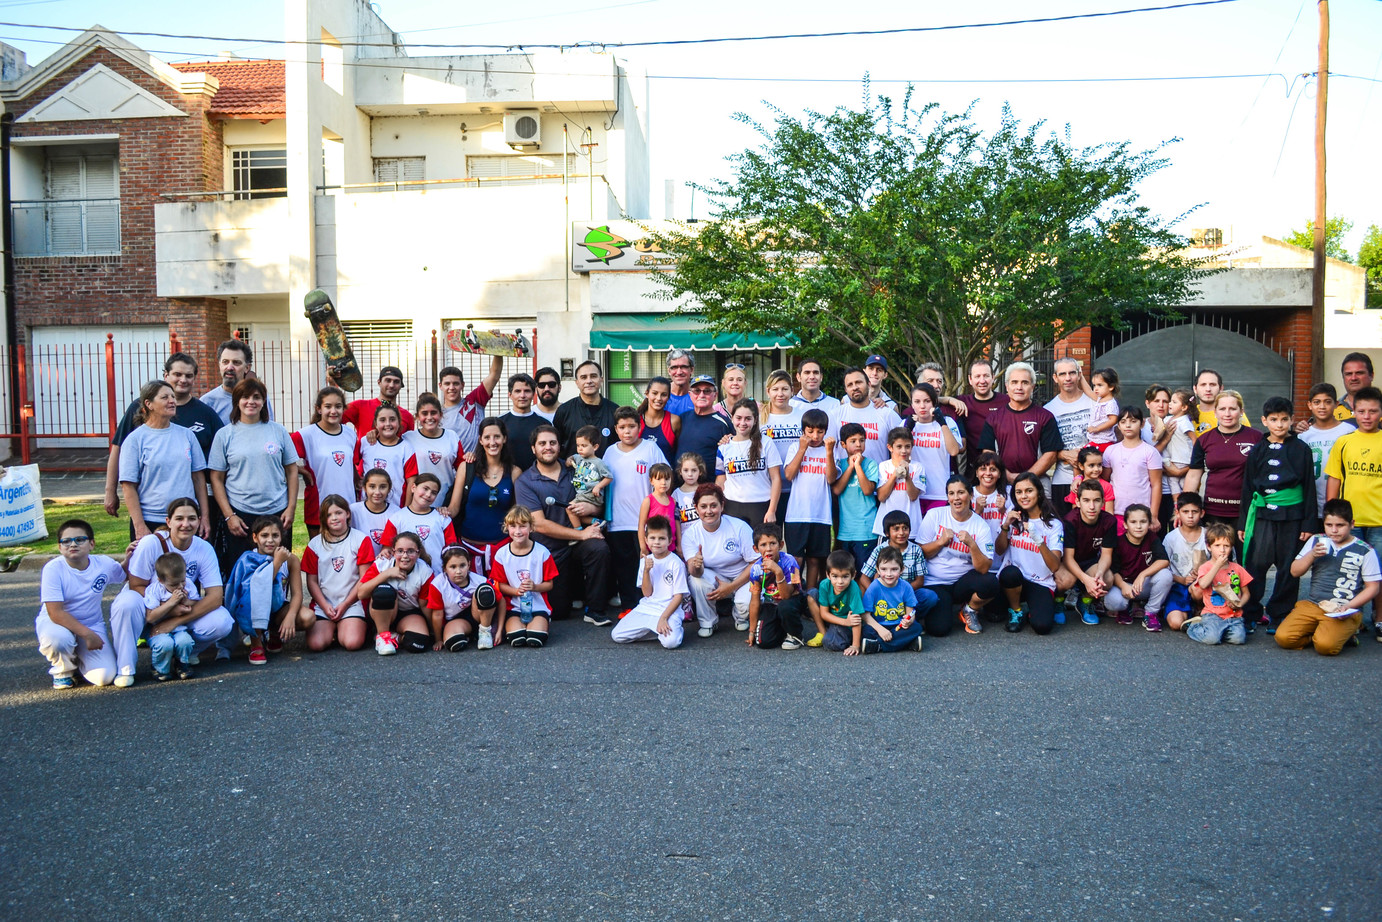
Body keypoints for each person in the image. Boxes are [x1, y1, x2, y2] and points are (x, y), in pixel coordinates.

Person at [107, 498, 234, 674]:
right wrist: (167, 609)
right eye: (179, 518)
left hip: (179, 608)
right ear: (168, 522)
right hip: (148, 608)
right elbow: (136, 585)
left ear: (199, 521)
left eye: (191, 518)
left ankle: (184, 653)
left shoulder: (204, 548)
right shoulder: (151, 543)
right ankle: (125, 667)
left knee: (223, 620)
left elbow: (215, 597)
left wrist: (175, 620)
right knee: (126, 603)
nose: (186, 524)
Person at [516, 425, 612, 627]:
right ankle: (573, 593)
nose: (548, 447)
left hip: (578, 542)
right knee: (559, 612)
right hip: (551, 551)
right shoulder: (525, 481)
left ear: (559, 446)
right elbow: (539, 524)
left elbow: (598, 503)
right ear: (533, 448)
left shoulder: (576, 468)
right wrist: (581, 534)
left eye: (552, 443)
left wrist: (591, 509)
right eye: (542, 443)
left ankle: (595, 610)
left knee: (599, 548)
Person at [105, 352, 221, 519]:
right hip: (150, 509)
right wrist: (110, 491)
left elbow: (215, 458)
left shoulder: (205, 413)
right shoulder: (138, 409)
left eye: (189, 375)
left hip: (186, 508)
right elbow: (118, 449)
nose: (183, 380)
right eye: (177, 374)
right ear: (166, 375)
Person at [207, 377, 300, 577]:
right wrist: (229, 515)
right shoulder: (225, 435)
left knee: (277, 572)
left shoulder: (278, 431)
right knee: (241, 573)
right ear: (237, 401)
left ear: (264, 401)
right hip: (241, 516)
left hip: (277, 512)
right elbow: (216, 478)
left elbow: (292, 470)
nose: (251, 401)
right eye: (245, 397)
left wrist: (291, 507)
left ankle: (277, 608)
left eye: (256, 397)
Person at [1237, 397, 1315, 631]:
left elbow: (1310, 486)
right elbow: (1248, 487)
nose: (1279, 425)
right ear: (1264, 420)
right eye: (1273, 420)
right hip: (1262, 514)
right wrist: (1243, 522)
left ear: (1291, 420)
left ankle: (1280, 613)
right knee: (1257, 562)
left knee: (1288, 565)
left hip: (1292, 515)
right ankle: (1250, 612)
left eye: (1284, 419)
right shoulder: (1257, 450)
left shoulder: (1301, 448)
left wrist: (1308, 523)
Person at [35, 519, 134, 689]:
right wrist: (88, 635)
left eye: (79, 540)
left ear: (92, 544)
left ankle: (78, 655)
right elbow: (55, 613)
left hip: (91, 623)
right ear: (59, 547)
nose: (72, 544)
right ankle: (63, 670)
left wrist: (130, 558)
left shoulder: (103, 564)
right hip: (57, 623)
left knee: (104, 677)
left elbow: (122, 575)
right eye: (66, 541)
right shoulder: (53, 569)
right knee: (59, 639)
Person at [1276, 499, 1382, 654]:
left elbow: (1373, 587)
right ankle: (1324, 633)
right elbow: (1294, 571)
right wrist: (1312, 555)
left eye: (1340, 525)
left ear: (1352, 524)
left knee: (1326, 646)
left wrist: (1348, 606)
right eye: (1329, 525)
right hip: (1314, 604)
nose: (1334, 531)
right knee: (1283, 638)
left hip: (1344, 609)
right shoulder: (1316, 540)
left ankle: (1344, 632)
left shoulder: (1365, 550)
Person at [117, 380, 210, 542]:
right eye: (165, 397)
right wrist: (140, 526)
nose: (172, 401)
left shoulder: (187, 435)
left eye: (173, 397)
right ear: (149, 404)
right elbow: (128, 486)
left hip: (184, 520)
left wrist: (205, 517)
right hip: (151, 521)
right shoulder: (135, 440)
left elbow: (198, 478)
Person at [1323, 385, 1382, 630]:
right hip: (1351, 522)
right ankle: (1351, 620)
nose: (1367, 416)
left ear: (1381, 413)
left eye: (1373, 411)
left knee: (1377, 575)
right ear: (1353, 412)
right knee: (1349, 573)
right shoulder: (1344, 442)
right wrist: (1330, 515)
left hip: (1379, 521)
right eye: (1362, 411)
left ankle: (1379, 619)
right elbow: (1334, 479)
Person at [917, 475, 999, 636]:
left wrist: (972, 545)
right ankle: (939, 610)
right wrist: (940, 542)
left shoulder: (980, 525)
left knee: (991, 583)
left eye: (961, 492)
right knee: (939, 630)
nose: (956, 498)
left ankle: (970, 609)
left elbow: (983, 568)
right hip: (936, 582)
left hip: (963, 583)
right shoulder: (934, 515)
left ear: (970, 495)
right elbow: (920, 554)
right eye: (951, 493)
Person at [604, 406, 668, 607]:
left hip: (646, 522)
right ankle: (629, 607)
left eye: (632, 426)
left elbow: (664, 477)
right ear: (616, 429)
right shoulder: (609, 452)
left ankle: (651, 604)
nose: (627, 431)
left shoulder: (650, 449)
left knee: (648, 565)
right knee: (624, 567)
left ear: (640, 427)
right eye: (622, 427)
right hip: (618, 522)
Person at [224, 516, 308, 665]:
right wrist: (276, 562)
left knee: (308, 617)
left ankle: (274, 633)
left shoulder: (290, 559)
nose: (270, 540)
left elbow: (297, 594)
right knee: (255, 600)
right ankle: (256, 642)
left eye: (275, 535)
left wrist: (290, 617)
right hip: (251, 607)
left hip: (276, 606)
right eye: (264, 535)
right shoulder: (248, 559)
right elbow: (257, 588)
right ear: (255, 538)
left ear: (281, 537)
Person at [996, 473, 1071, 635]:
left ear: (1039, 492)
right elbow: (999, 550)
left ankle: (1033, 609)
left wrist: (1038, 539)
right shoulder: (1013, 514)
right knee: (995, 609)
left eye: (1029, 491)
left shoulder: (1053, 524)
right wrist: (1005, 526)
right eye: (1019, 492)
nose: (1024, 496)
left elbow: (1054, 565)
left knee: (1042, 626)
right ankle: (1016, 610)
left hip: (1040, 581)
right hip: (1014, 579)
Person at [1183, 390, 1263, 538]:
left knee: (1244, 560)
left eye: (1232, 409)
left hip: (1245, 511)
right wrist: (1184, 506)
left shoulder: (1256, 437)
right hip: (1212, 510)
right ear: (1215, 412)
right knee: (1215, 557)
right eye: (1222, 409)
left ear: (1241, 412)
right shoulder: (1205, 440)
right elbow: (1194, 475)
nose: (1227, 414)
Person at [681, 483, 757, 636]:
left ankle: (740, 616)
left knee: (745, 604)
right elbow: (694, 572)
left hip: (742, 577)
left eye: (713, 505)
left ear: (722, 506)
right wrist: (696, 566)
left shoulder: (740, 527)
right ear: (696, 508)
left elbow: (756, 563)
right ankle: (708, 622)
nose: (708, 511)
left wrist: (731, 586)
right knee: (696, 581)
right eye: (703, 506)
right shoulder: (690, 534)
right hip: (715, 579)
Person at [303, 494, 375, 653]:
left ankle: (348, 626)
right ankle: (332, 629)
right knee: (316, 644)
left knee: (352, 643)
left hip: (352, 603)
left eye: (338, 513)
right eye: (329, 515)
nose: (334, 518)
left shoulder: (360, 539)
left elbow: (364, 578)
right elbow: (312, 581)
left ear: (347, 514)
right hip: (325, 603)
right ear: (323, 518)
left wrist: (345, 605)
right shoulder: (315, 544)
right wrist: (324, 605)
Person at [453, 417, 521, 577]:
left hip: (503, 550)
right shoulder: (466, 467)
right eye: (487, 437)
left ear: (504, 439)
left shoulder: (515, 472)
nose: (492, 442)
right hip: (469, 550)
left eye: (497, 436)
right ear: (480, 440)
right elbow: (454, 508)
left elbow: (517, 514)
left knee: (500, 596)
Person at [610, 515, 687, 649]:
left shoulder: (676, 563)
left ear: (669, 541)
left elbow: (678, 596)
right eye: (652, 538)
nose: (656, 542)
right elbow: (646, 593)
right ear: (646, 540)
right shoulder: (645, 561)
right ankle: (655, 631)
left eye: (661, 538)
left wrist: (663, 618)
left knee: (671, 643)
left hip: (668, 611)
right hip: (648, 608)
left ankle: (670, 629)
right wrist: (646, 571)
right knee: (617, 635)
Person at [979, 362, 1061, 485]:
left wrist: (1027, 477)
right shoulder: (994, 418)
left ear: (1033, 386)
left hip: (1037, 482)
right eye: (1014, 382)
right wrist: (1007, 475)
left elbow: (1051, 455)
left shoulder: (1045, 417)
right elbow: (988, 453)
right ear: (1007, 386)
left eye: (1025, 382)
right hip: (1002, 482)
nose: (1019, 387)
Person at [292, 386, 358, 538]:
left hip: (347, 504)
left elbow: (352, 465)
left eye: (338, 406)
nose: (333, 411)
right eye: (328, 406)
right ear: (319, 409)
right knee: (320, 555)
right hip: (318, 504)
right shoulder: (305, 435)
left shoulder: (350, 434)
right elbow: (280, 458)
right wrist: (300, 470)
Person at [782, 409, 836, 592]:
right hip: (797, 514)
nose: (815, 436)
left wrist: (829, 453)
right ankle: (795, 590)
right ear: (803, 430)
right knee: (795, 559)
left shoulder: (830, 450)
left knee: (815, 559)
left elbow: (831, 479)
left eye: (820, 432)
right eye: (810, 431)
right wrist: (802, 449)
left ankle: (809, 595)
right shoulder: (794, 448)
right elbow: (789, 475)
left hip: (820, 515)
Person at [491, 506, 558, 648]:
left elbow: (550, 584)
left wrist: (535, 587)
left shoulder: (542, 552)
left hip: (538, 606)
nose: (518, 531)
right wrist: (516, 591)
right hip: (514, 607)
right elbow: (499, 584)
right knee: (517, 639)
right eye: (513, 526)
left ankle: (542, 622)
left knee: (536, 639)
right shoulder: (502, 554)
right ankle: (518, 625)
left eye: (522, 526)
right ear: (506, 528)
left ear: (531, 527)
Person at [358, 531, 435, 655]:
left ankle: (395, 637)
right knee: (385, 592)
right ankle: (383, 636)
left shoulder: (425, 571)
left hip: (408, 613)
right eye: (400, 551)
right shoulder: (382, 564)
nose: (405, 556)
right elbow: (361, 593)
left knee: (418, 642)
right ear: (393, 552)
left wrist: (436, 632)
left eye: (410, 551)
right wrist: (386, 574)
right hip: (382, 610)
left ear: (418, 553)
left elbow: (424, 605)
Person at [1102, 504, 1172, 631]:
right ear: (1125, 525)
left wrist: (1143, 574)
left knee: (1166, 575)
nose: (1138, 526)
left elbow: (1164, 560)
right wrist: (1123, 586)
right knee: (1114, 601)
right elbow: (1114, 571)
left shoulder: (1152, 538)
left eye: (1143, 522)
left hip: (1143, 585)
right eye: (1133, 522)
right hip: (1123, 585)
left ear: (1149, 524)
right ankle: (1125, 608)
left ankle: (1150, 613)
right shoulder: (1119, 542)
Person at [717, 398, 783, 526]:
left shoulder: (766, 443)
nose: (743, 423)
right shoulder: (723, 447)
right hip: (732, 506)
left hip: (761, 506)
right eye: (739, 418)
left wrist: (772, 510)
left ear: (755, 420)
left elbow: (776, 479)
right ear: (732, 418)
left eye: (748, 419)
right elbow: (720, 481)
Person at [1183, 522, 1251, 646]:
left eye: (1226, 546)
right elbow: (1203, 585)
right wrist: (1217, 566)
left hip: (1233, 615)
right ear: (1209, 547)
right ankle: (1193, 626)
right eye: (1217, 545)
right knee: (1212, 640)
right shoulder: (1206, 567)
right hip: (1213, 614)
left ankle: (1220, 631)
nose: (1222, 550)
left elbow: (1246, 592)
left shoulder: (1237, 568)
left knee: (1239, 639)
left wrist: (1240, 603)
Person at [1044, 357, 1097, 515]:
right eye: (1062, 374)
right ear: (1055, 378)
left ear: (1079, 374)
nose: (1068, 378)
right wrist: (1064, 454)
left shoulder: (1094, 403)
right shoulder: (1048, 410)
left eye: (1072, 373)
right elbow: (1044, 449)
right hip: (1063, 480)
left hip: (1095, 478)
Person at [425, 545, 501, 651]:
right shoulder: (437, 585)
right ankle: (471, 636)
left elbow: (501, 601)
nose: (458, 571)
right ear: (444, 568)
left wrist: (500, 630)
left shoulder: (480, 580)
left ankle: (485, 632)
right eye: (453, 567)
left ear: (469, 565)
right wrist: (438, 639)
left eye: (462, 565)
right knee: (454, 643)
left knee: (485, 590)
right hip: (456, 620)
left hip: (479, 616)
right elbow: (437, 615)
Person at [1296, 383, 1353, 523]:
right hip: (1311, 502)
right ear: (1309, 405)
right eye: (1317, 402)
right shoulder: (1303, 435)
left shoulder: (1348, 431)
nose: (1322, 406)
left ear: (1336, 404)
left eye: (1327, 402)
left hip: (1341, 502)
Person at [1063, 479, 1118, 625]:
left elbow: (1106, 555)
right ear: (1078, 502)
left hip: (1089, 561)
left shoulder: (1109, 521)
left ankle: (1085, 602)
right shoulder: (1070, 521)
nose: (1092, 506)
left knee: (1106, 579)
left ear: (1103, 502)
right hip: (1067, 563)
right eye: (1086, 500)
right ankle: (1058, 601)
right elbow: (1068, 558)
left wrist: (1099, 574)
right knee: (1066, 580)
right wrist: (1085, 579)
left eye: (1096, 500)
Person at [381, 474, 459, 574]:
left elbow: (451, 550)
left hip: (437, 576)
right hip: (406, 577)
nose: (428, 494)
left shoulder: (443, 519)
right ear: (413, 488)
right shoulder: (397, 518)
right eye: (425, 489)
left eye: (434, 493)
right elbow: (387, 549)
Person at [745, 524, 806, 650]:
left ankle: (795, 635)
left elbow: (786, 596)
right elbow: (755, 600)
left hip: (791, 600)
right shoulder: (756, 569)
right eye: (763, 545)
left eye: (773, 543)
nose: (768, 549)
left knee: (785, 606)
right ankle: (782, 628)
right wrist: (751, 631)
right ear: (756, 549)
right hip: (771, 603)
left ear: (781, 545)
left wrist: (778, 572)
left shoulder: (790, 562)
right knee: (763, 642)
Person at [906, 383, 962, 515]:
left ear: (934, 403)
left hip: (939, 492)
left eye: (927, 401)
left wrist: (942, 423)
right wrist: (907, 430)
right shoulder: (905, 423)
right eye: (917, 402)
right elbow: (897, 453)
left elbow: (954, 451)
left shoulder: (947, 422)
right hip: (914, 490)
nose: (922, 406)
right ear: (912, 404)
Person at [860, 546, 928, 654]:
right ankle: (906, 643)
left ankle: (878, 645)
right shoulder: (874, 587)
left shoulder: (906, 587)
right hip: (879, 625)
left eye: (894, 569)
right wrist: (880, 629)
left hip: (898, 625)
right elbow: (865, 615)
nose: (889, 574)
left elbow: (911, 613)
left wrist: (909, 621)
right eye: (884, 569)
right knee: (867, 631)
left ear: (902, 569)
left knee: (916, 627)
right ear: (877, 569)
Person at [143, 552, 200, 681]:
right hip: (157, 629)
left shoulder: (188, 584)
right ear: (161, 580)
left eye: (182, 581)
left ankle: (182, 664)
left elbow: (196, 601)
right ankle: (160, 668)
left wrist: (186, 602)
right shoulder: (154, 590)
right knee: (165, 644)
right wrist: (172, 602)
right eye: (174, 584)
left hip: (179, 627)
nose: (180, 586)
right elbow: (151, 617)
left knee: (185, 641)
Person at [1102, 407, 1162, 527]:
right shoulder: (1110, 451)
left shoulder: (1150, 451)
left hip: (1142, 513)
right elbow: (1104, 481)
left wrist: (1153, 515)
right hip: (1115, 511)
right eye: (1123, 422)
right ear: (1118, 425)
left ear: (1142, 424)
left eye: (1133, 421)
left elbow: (1156, 484)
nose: (1128, 425)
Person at [402, 394, 463, 511]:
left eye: (433, 413)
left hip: (444, 502)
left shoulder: (452, 437)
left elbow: (462, 468)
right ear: (417, 417)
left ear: (440, 415)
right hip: (416, 503)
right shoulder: (408, 438)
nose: (429, 417)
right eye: (424, 413)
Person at [832, 422, 879, 572]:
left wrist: (858, 466)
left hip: (866, 531)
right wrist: (851, 466)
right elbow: (837, 490)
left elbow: (867, 490)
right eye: (853, 441)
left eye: (862, 440)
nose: (858, 444)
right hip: (845, 531)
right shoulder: (840, 464)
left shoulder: (871, 464)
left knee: (863, 573)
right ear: (843, 444)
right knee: (846, 572)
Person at [830, 367, 903, 464]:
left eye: (859, 382)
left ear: (868, 384)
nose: (855, 387)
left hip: (878, 477)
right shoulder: (835, 415)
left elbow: (903, 445)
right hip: (844, 477)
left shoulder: (887, 414)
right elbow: (827, 449)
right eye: (850, 385)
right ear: (846, 390)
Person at [437, 357, 505, 454]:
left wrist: (498, 351)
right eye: (447, 384)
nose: (451, 388)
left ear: (462, 385)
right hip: (449, 466)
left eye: (456, 383)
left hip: (477, 464)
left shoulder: (474, 401)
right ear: (440, 386)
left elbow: (494, 376)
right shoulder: (436, 415)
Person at [1162, 492, 1208, 631]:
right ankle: (1188, 613)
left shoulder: (1208, 535)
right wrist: (1181, 579)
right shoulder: (1171, 538)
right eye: (1185, 512)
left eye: (1194, 512)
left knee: (1198, 589)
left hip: (1203, 587)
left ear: (1202, 513)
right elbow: (1163, 567)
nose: (1190, 516)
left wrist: (1203, 575)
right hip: (1178, 586)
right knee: (1176, 623)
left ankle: (1199, 607)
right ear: (1178, 513)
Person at [554, 360, 619, 457]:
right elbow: (556, 446)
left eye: (593, 376)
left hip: (607, 470)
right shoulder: (564, 411)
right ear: (577, 382)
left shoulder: (614, 411)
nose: (589, 381)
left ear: (601, 379)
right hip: (573, 471)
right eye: (583, 377)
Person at [760, 369, 805, 511]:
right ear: (768, 391)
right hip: (768, 488)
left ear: (792, 390)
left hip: (797, 486)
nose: (780, 394)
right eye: (775, 389)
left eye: (785, 389)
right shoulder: (759, 418)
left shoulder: (802, 416)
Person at [200, 339, 273, 424]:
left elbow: (269, 429)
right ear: (219, 365)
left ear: (247, 368)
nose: (230, 367)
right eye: (225, 362)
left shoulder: (258, 398)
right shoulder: (207, 402)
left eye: (236, 362)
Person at [808, 549, 865, 654]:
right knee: (811, 594)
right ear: (828, 575)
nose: (840, 582)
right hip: (836, 619)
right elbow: (824, 613)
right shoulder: (824, 585)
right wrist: (844, 621)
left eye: (845, 576)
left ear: (853, 575)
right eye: (835, 576)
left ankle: (839, 636)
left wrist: (855, 645)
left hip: (847, 623)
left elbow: (856, 618)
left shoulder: (854, 588)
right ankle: (823, 633)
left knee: (831, 643)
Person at [677, 375, 734, 481]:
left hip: (710, 489)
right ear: (690, 394)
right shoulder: (682, 419)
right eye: (697, 391)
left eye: (707, 391)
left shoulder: (724, 423)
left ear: (715, 395)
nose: (701, 395)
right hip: (681, 489)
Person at [872, 427, 924, 539]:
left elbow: (914, 496)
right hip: (887, 527)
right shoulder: (883, 466)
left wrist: (907, 476)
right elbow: (881, 496)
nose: (904, 451)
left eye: (907, 446)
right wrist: (895, 475)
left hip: (910, 527)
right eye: (899, 447)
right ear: (890, 447)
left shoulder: (918, 467)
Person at [356, 404, 412, 508]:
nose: (387, 424)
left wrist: (407, 509)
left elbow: (411, 481)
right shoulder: (366, 442)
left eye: (392, 419)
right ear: (375, 424)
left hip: (395, 507)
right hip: (367, 506)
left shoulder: (406, 447)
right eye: (382, 420)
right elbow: (351, 463)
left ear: (399, 423)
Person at [859, 509, 927, 593]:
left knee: (929, 596)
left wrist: (899, 593)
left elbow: (919, 581)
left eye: (905, 528)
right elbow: (864, 577)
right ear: (887, 533)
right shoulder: (879, 550)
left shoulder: (916, 550)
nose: (901, 533)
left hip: (907, 592)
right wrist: (875, 592)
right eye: (896, 529)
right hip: (884, 592)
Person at [957, 360, 1006, 472]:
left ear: (993, 377)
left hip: (1000, 468)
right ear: (970, 379)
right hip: (971, 469)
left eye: (986, 376)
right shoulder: (961, 403)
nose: (982, 381)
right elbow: (932, 402)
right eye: (977, 376)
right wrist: (948, 399)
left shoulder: (1006, 402)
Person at [566, 426, 614, 530]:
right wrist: (569, 460)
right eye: (578, 445)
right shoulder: (579, 457)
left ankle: (578, 531)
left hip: (591, 495)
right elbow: (571, 458)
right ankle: (597, 522)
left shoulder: (599, 463)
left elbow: (609, 477)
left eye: (584, 446)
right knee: (575, 513)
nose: (580, 449)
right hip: (581, 494)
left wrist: (598, 486)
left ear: (595, 447)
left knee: (570, 509)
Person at [500, 373, 544, 472]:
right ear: (510, 395)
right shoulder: (499, 423)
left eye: (527, 391)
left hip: (536, 478)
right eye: (518, 391)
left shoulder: (544, 424)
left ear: (533, 394)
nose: (522, 395)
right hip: (506, 477)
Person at [350, 468, 399, 559]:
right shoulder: (353, 510)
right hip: (357, 564)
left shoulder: (396, 512)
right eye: (372, 487)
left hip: (386, 566)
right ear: (364, 487)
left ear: (389, 489)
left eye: (383, 487)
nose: (377, 492)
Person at [637, 376, 680, 462]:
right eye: (655, 393)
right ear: (647, 394)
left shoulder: (674, 421)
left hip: (667, 474)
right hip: (640, 474)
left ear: (668, 397)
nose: (659, 398)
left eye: (663, 395)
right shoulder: (636, 419)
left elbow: (679, 452)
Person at [638, 462, 679, 554]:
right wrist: (643, 547)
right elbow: (641, 525)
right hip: (653, 548)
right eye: (659, 479)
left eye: (667, 479)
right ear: (651, 481)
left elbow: (677, 524)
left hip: (670, 547)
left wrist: (679, 544)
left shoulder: (673, 501)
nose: (663, 483)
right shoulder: (648, 501)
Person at [1065, 447, 1113, 514]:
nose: (1096, 469)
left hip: (1103, 523)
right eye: (1091, 465)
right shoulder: (1077, 486)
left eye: (1099, 465)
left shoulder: (1106, 486)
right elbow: (1075, 512)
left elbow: (1109, 512)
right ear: (1081, 466)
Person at [1085, 367, 1120, 452]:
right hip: (1094, 440)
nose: (1095, 388)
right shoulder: (1099, 399)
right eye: (1094, 385)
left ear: (1111, 387)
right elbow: (1088, 391)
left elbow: (1113, 420)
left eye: (1100, 385)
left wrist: (1097, 428)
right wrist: (1080, 374)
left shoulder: (1110, 403)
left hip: (1104, 441)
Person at [673, 452, 707, 535]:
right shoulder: (676, 494)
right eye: (686, 470)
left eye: (694, 470)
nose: (690, 474)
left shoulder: (705, 491)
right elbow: (675, 521)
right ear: (680, 471)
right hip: (685, 540)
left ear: (700, 472)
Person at [1335, 352, 1374, 421]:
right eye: (1349, 374)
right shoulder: (1332, 410)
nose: (1354, 378)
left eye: (1359, 373)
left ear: (1371, 376)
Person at [664, 349, 696, 416]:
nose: (679, 372)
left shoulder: (698, 396)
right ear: (669, 371)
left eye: (683, 367)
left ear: (692, 370)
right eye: (674, 367)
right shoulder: (659, 395)